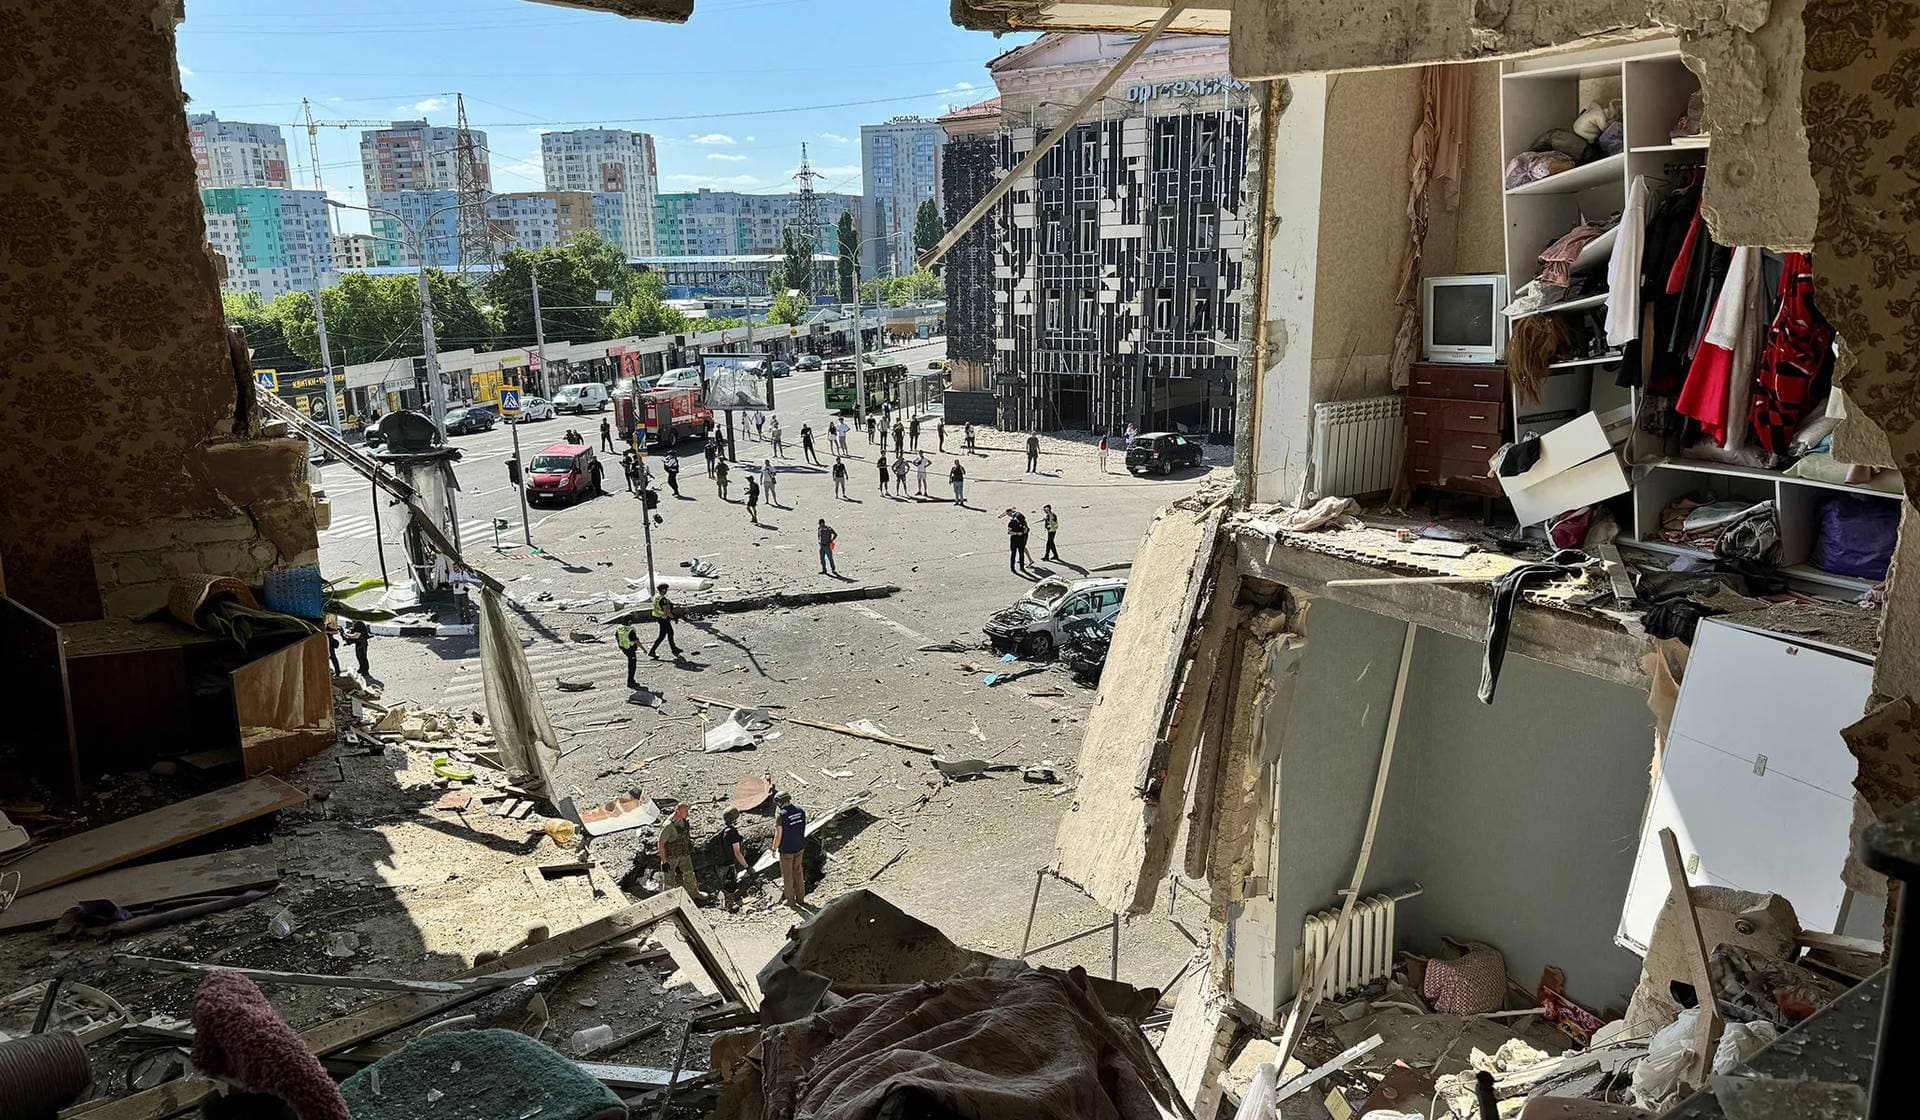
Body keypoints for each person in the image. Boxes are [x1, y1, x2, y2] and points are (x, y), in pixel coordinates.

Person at [657, 803, 702, 901]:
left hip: (683, 853)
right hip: (671, 857)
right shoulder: (668, 826)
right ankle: (669, 901)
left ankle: (694, 893)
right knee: (669, 880)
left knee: (689, 873)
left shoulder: (683, 821)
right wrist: (664, 861)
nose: (687, 813)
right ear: (677, 811)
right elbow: (660, 843)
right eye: (685, 811)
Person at [773, 792, 808, 906]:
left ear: (780, 802)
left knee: (787, 875)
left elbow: (778, 835)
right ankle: (801, 899)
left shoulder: (781, 816)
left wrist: (774, 848)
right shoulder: (800, 810)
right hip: (799, 846)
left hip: (786, 850)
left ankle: (790, 901)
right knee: (798, 872)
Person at [720, 808, 752, 894]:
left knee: (725, 887)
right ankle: (732, 900)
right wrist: (747, 867)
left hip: (720, 864)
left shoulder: (723, 830)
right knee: (730, 888)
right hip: (728, 866)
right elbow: (737, 853)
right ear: (734, 819)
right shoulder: (732, 832)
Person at [649, 583, 682, 659]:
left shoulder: (656, 596)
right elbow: (667, 612)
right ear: (663, 590)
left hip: (659, 617)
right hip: (664, 618)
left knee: (670, 633)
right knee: (662, 636)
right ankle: (652, 651)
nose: (667, 590)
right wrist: (674, 617)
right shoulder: (662, 599)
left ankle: (674, 649)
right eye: (666, 589)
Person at [616, 619, 640, 688]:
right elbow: (636, 641)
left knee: (631, 664)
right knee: (632, 666)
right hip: (630, 649)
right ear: (629, 621)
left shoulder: (619, 628)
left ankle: (631, 680)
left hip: (624, 648)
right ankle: (630, 681)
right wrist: (644, 650)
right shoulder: (630, 630)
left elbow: (617, 637)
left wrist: (621, 644)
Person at [1004, 508, 1030, 573]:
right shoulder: (1013, 522)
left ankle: (1019, 568)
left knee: (1018, 554)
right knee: (1016, 554)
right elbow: (1009, 532)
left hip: (1017, 540)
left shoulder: (1014, 522)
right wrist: (1018, 533)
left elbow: (1010, 532)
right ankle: (1016, 568)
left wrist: (1023, 532)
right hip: (1018, 539)